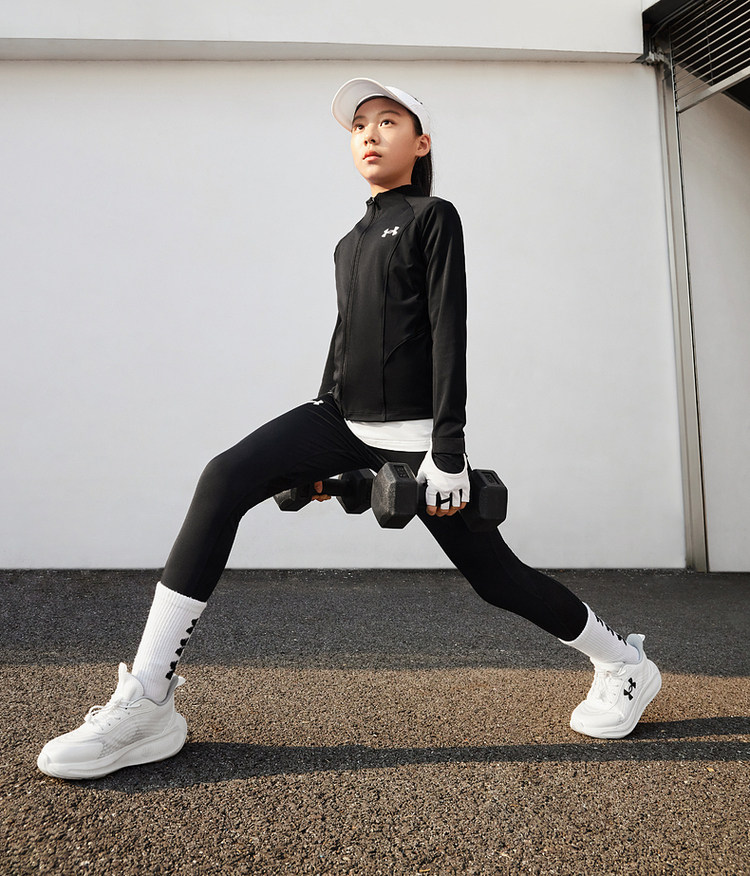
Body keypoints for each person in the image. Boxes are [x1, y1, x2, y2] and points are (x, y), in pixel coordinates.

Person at [37, 78, 661, 781]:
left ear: (420, 144)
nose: (369, 133)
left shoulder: (433, 217)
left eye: (388, 121)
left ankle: (625, 663)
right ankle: (148, 699)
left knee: (497, 579)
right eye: (360, 124)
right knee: (224, 478)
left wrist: (448, 450)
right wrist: (317, 444)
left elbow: (448, 333)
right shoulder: (349, 241)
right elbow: (345, 340)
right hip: (339, 417)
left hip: (418, 436)